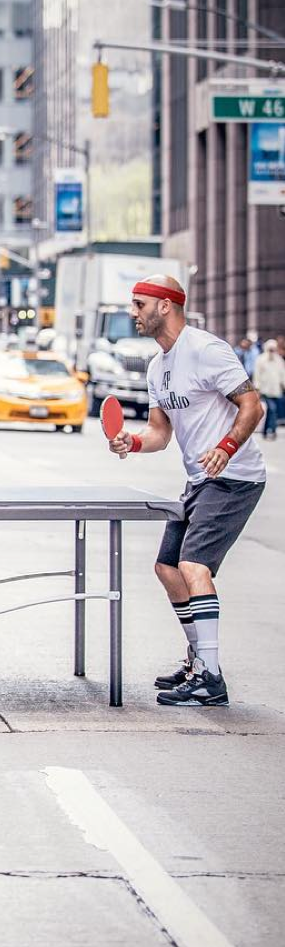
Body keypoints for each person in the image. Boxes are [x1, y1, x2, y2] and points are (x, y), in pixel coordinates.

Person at [107, 276, 265, 706]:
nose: (133, 313)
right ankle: (199, 660)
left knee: (194, 567)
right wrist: (132, 442)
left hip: (235, 477)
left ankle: (211, 680)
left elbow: (253, 405)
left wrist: (226, 447)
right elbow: (160, 432)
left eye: (139, 304)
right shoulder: (158, 367)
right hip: (200, 479)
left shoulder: (207, 350)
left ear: (166, 306)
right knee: (167, 568)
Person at [253, 337, 284, 441]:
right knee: (272, 409)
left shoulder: (279, 360)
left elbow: (282, 374)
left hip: (276, 390)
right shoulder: (260, 359)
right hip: (265, 390)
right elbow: (257, 375)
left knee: (273, 411)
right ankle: (272, 430)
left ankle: (267, 431)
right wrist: (257, 388)